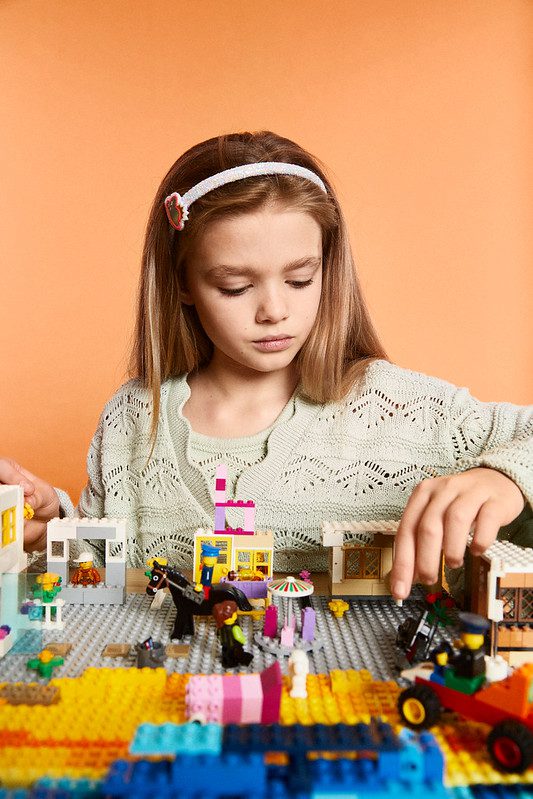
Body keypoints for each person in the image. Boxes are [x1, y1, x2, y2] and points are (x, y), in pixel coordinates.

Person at [0, 131, 531, 602]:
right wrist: (52, 532)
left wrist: (505, 477)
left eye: (301, 279)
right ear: (182, 283)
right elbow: (98, 578)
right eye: (234, 286)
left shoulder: (399, 409)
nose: (275, 310)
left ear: (329, 267)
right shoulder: (134, 420)